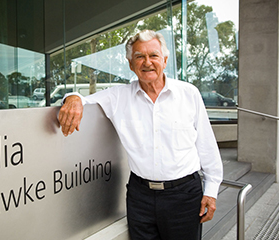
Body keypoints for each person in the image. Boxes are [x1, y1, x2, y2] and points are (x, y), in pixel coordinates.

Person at [58, 29, 223, 240]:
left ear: (164, 60)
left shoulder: (188, 93)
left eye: (153, 55)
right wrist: (72, 99)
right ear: (130, 64)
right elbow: (82, 99)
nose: (147, 62)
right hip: (140, 196)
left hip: (184, 195)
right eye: (139, 57)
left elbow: (206, 144)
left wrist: (211, 190)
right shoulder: (119, 96)